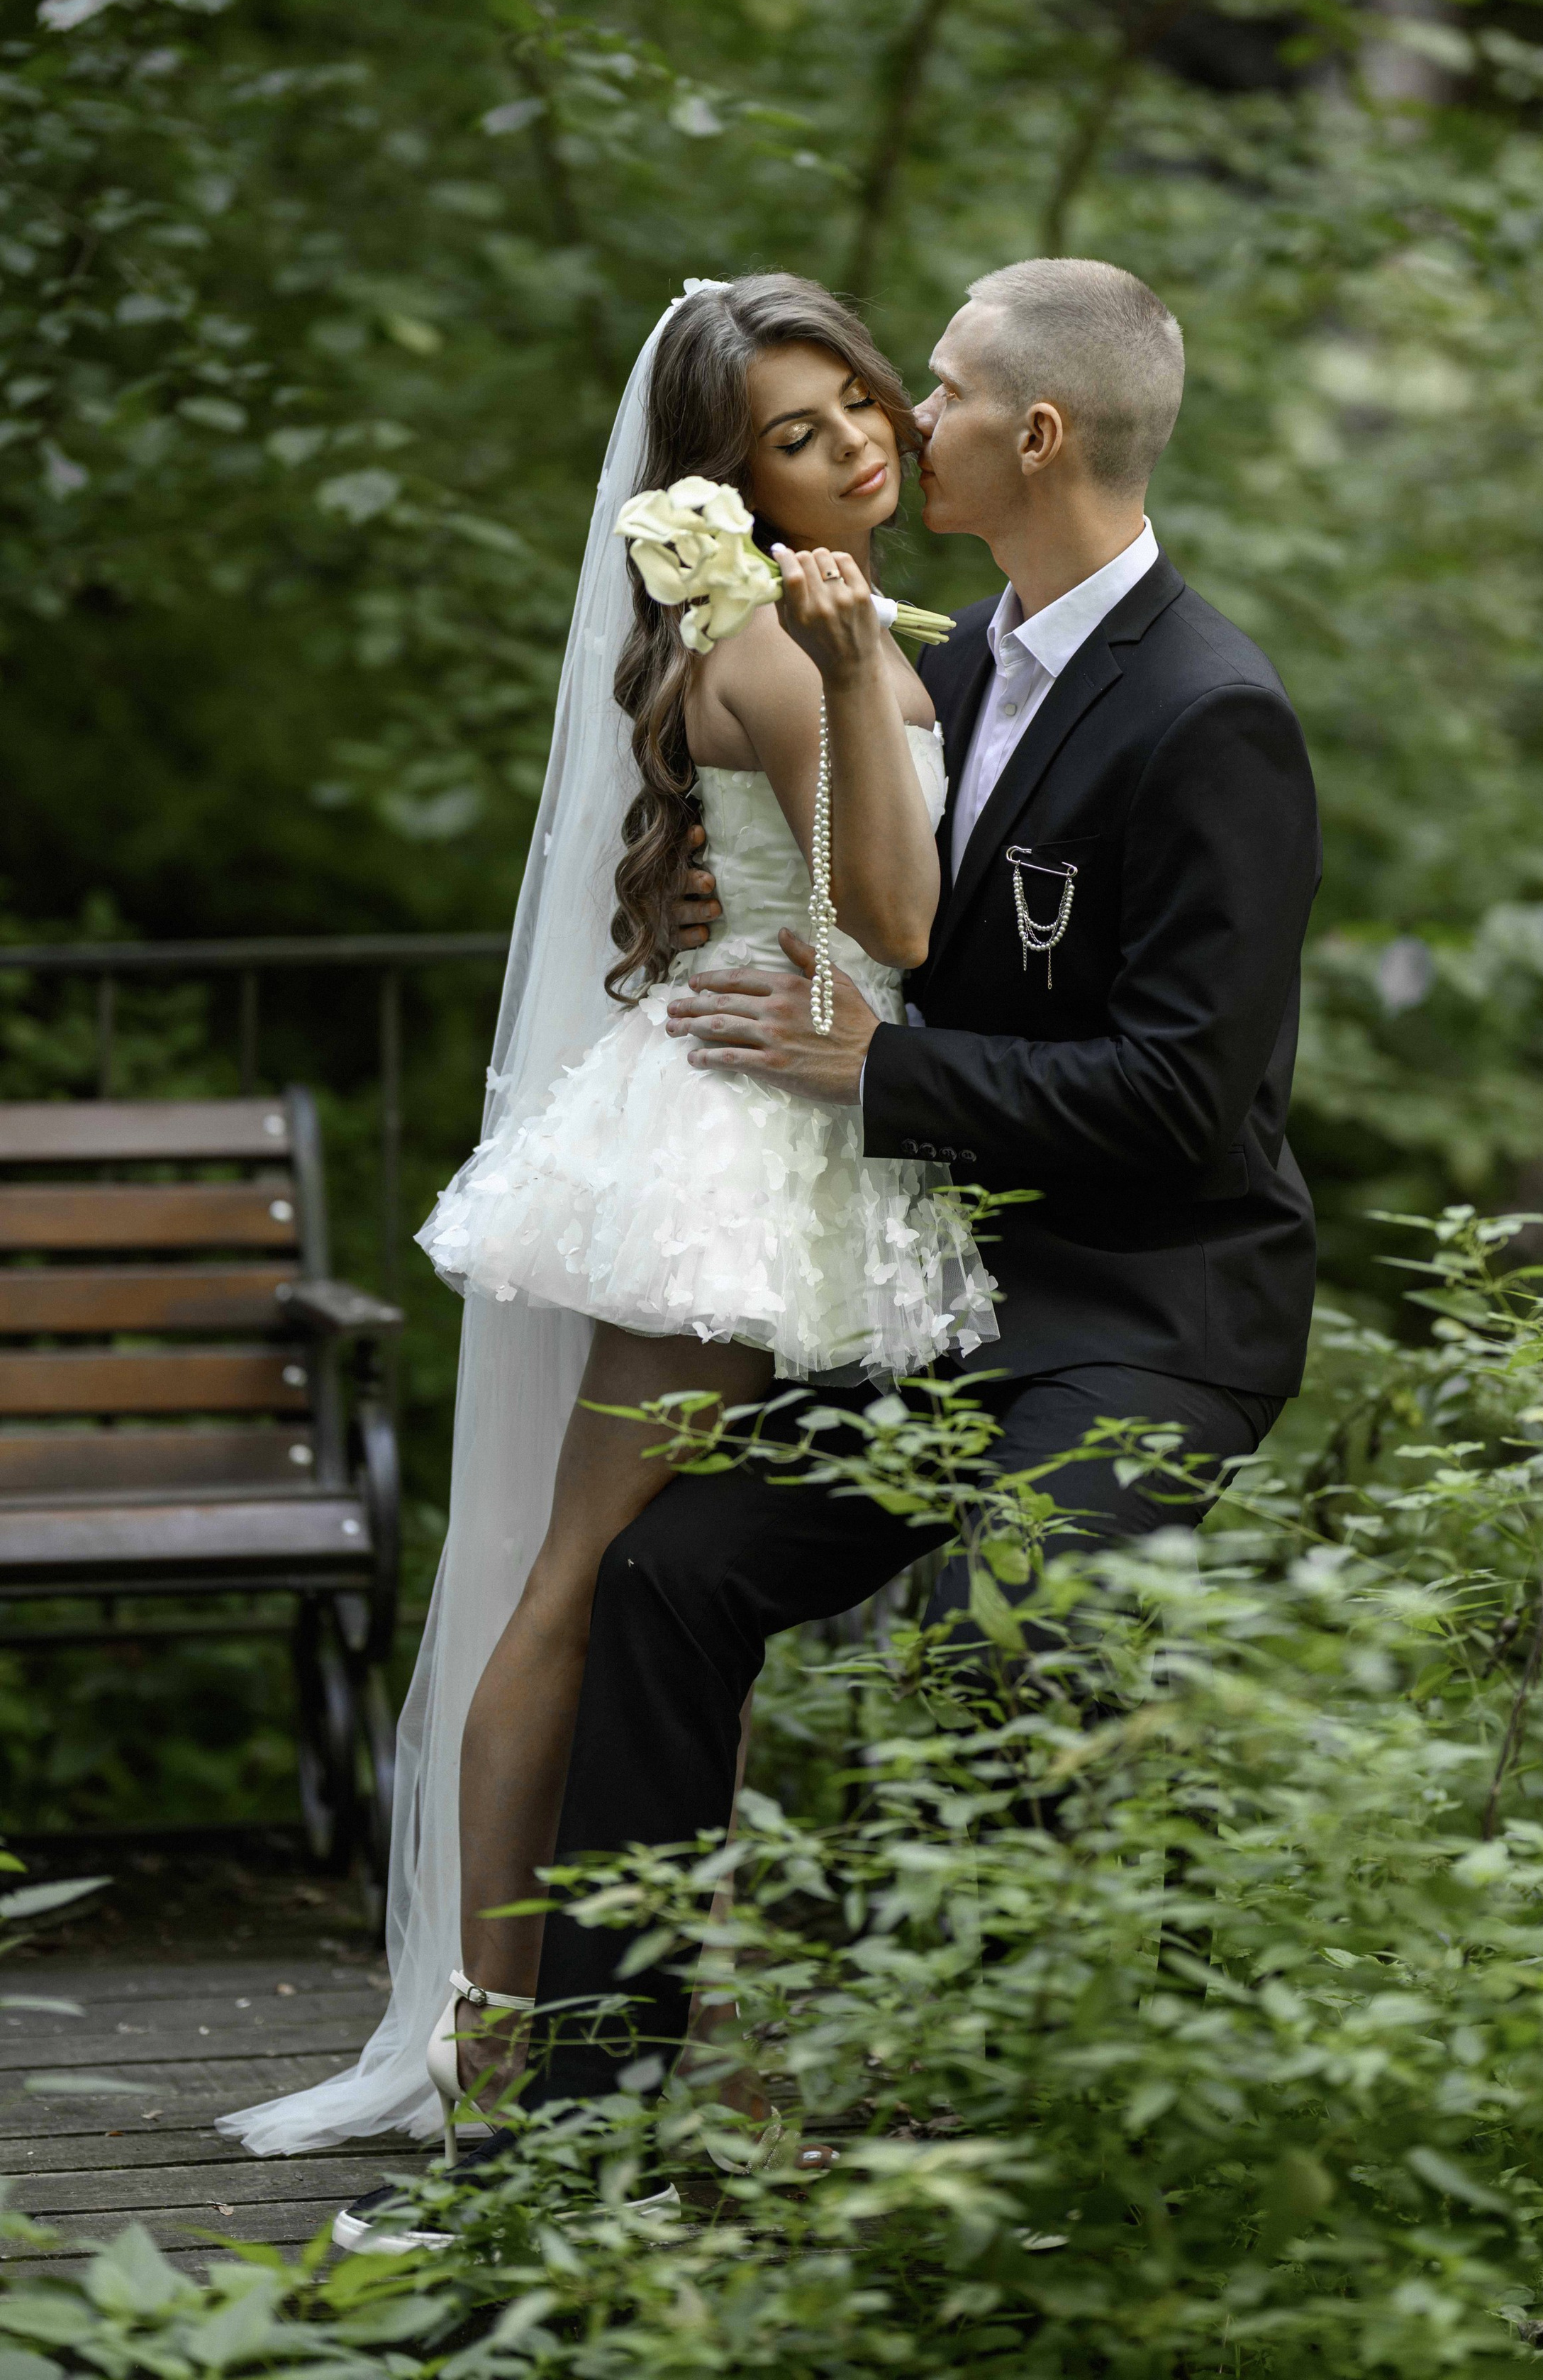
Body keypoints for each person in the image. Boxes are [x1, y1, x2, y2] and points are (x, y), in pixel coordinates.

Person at [493, 259, 1322, 2152]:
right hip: (962, 1300)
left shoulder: (1213, 716)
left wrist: (877, 1073)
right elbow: (875, 880)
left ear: (1031, 433)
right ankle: (573, 2146)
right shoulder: (950, 660)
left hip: (1151, 1312)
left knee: (996, 1616)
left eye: (931, 390)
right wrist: (745, 900)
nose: (898, 418)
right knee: (663, 1576)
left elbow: (1188, 1100)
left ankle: (967, 2151)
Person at [221, 274, 995, 2169]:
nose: (855, 446)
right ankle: (493, 2029)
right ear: (724, 484)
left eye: (863, 406)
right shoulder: (767, 645)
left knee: (686, 1610)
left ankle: (668, 2003)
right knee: (592, 1574)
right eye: (795, 436)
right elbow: (895, 923)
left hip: (833, 1119)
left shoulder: (858, 626)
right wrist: (831, 675)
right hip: (745, 1151)